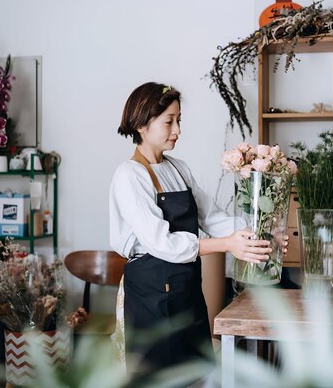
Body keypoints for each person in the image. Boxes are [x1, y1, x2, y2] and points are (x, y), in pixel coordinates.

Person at [109, 82, 287, 377]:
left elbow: (213, 217)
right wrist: (226, 244)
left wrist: (262, 235)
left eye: (179, 120)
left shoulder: (178, 169)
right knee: (158, 379)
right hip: (150, 293)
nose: (177, 129)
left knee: (195, 373)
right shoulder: (129, 176)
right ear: (142, 124)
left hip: (187, 288)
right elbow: (162, 243)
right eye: (169, 121)